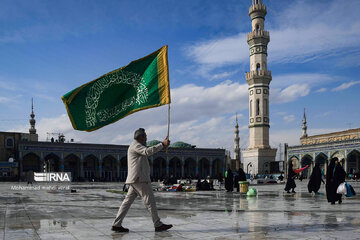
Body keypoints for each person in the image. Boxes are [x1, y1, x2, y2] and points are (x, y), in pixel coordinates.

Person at [111, 128, 172, 232]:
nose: (146, 138)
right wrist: (162, 144)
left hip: (136, 179)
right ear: (140, 137)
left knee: (126, 203)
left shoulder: (136, 146)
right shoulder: (136, 145)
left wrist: (164, 144)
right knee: (150, 202)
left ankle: (117, 224)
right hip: (140, 179)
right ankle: (157, 224)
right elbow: (147, 152)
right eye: (145, 136)